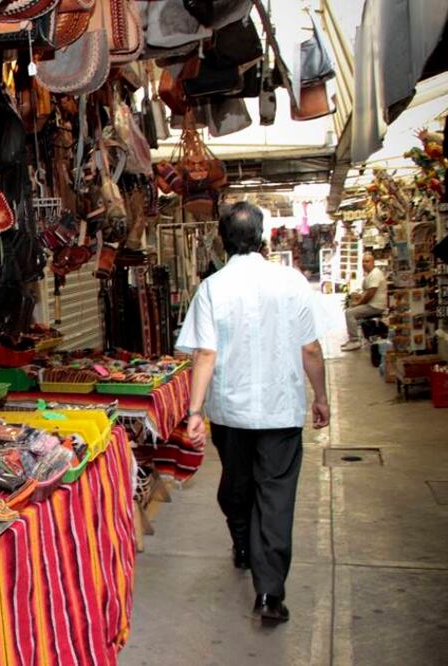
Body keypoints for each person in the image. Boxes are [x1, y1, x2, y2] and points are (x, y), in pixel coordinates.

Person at [176, 202, 330, 625]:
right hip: (281, 411)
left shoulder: (212, 287)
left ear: (223, 239)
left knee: (236, 484)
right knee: (275, 496)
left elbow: (204, 352)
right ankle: (270, 592)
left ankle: (243, 543)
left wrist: (194, 411)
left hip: (231, 412)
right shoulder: (291, 281)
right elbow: (311, 347)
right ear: (261, 237)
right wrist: (320, 396)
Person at [341, 252, 387, 351]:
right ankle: (353, 339)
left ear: (373, 262)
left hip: (375, 306)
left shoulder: (375, 274)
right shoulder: (371, 274)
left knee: (349, 313)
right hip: (372, 305)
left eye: (367, 261)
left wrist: (358, 304)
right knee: (350, 307)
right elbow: (367, 292)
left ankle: (355, 341)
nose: (364, 264)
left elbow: (371, 293)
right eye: (363, 261)